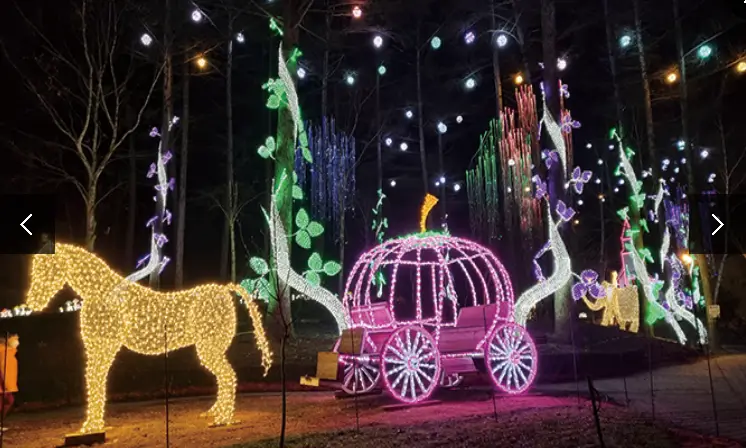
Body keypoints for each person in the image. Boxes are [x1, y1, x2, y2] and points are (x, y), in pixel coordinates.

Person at [0, 334, 19, 431]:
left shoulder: (8, 352)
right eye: (16, 339)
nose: (17, 342)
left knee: (8, 401)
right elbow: (3, 369)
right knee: (6, 402)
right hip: (3, 385)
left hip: (5, 385)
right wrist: (5, 384)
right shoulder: (4, 352)